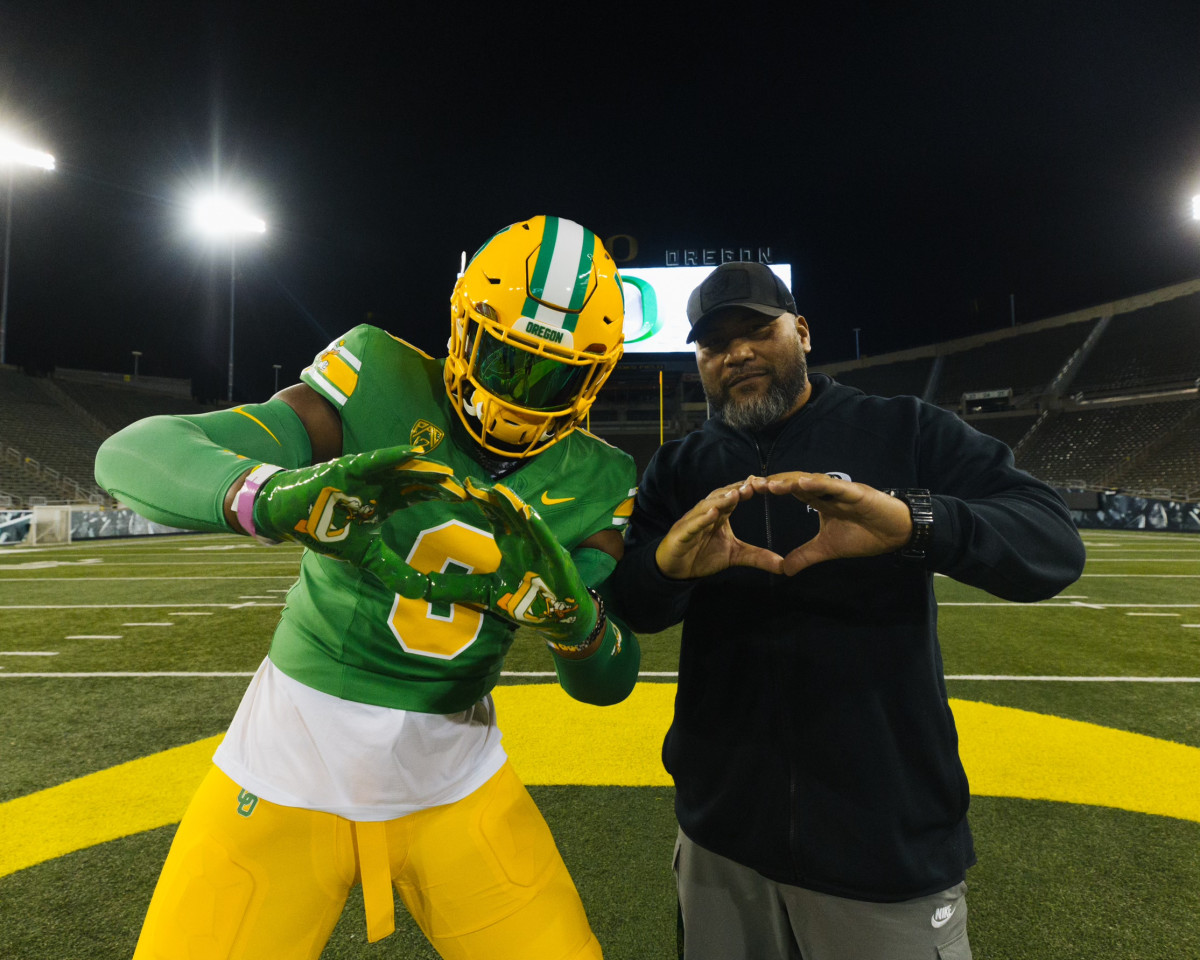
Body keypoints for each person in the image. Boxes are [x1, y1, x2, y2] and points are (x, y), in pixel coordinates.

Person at [94, 215, 640, 960]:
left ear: (596, 376)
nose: (521, 395)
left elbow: (607, 680)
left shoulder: (598, 478)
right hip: (288, 760)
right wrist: (269, 492)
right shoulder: (378, 375)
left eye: (554, 376)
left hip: (456, 777)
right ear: (461, 330)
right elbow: (134, 452)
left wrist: (578, 628)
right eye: (507, 361)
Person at [608, 261, 1087, 960]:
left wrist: (914, 523)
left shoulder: (903, 428)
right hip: (719, 840)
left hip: (882, 844)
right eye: (713, 343)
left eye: (756, 329)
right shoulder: (680, 467)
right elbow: (630, 605)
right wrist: (662, 570)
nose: (735, 352)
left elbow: (1052, 544)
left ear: (801, 332)